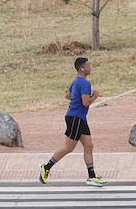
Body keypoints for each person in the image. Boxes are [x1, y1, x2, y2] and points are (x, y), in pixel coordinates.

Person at [39, 56, 106, 186]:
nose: (90, 68)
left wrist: (78, 99)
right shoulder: (85, 83)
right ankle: (46, 168)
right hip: (76, 118)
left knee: (89, 145)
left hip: (78, 118)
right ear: (82, 68)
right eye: (89, 65)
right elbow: (86, 102)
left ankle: (92, 177)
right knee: (68, 148)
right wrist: (94, 97)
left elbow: (67, 95)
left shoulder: (76, 81)